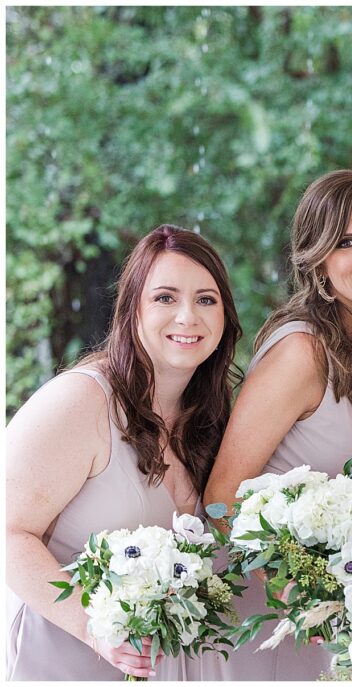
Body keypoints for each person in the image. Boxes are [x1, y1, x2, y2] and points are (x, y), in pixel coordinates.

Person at [199, 170, 352, 680]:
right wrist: (293, 583)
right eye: (346, 243)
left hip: (343, 605)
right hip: (276, 610)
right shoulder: (302, 351)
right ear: (316, 260)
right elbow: (220, 497)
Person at [6, 225, 241, 680]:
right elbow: (8, 533)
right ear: (132, 308)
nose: (188, 316)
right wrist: (93, 626)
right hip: (61, 658)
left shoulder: (209, 422)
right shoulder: (83, 401)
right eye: (165, 298)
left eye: (206, 299)